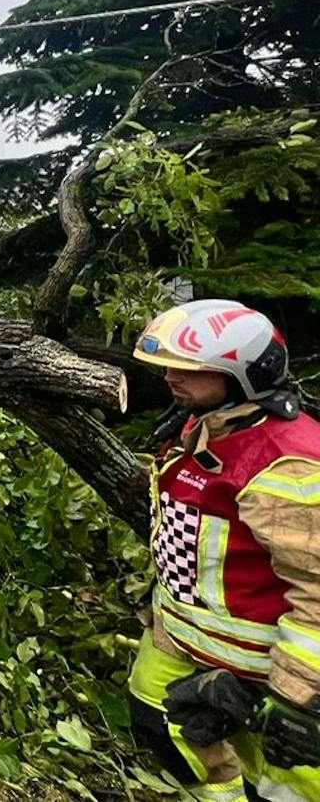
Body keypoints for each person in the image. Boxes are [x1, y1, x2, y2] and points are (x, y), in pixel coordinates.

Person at [127, 299, 320, 800]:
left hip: (267, 671)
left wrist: (296, 696)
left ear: (244, 373)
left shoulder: (287, 462)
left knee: (285, 784)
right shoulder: (203, 427)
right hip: (184, 642)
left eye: (189, 367)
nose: (171, 377)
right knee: (162, 727)